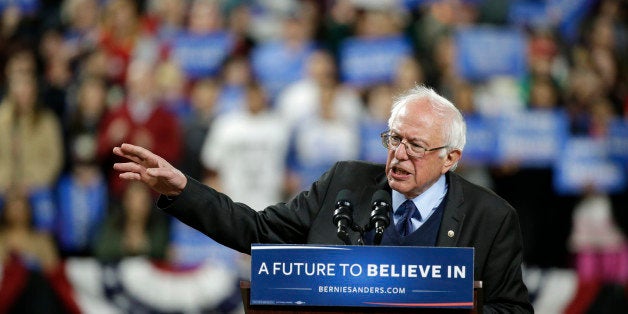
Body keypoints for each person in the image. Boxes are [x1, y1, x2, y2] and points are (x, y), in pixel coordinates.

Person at [113, 85, 533, 312]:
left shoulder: (490, 218)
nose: (399, 154)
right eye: (393, 139)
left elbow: (512, 310)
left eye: (416, 146)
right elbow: (257, 229)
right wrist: (182, 190)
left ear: (450, 159)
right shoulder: (345, 182)